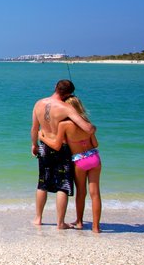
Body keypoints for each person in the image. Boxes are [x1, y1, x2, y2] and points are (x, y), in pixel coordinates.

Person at [30, 79, 96, 229]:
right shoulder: (66, 108)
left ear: (55, 87)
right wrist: (91, 126)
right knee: (63, 185)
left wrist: (34, 144)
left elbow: (34, 128)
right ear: (68, 94)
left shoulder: (38, 103)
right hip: (62, 149)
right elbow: (88, 128)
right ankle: (60, 223)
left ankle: (38, 218)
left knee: (42, 183)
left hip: (44, 146)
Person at [40, 95, 102, 232]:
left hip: (79, 160)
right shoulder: (86, 122)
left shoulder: (64, 125)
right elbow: (95, 143)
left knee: (81, 192)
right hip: (94, 157)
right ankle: (96, 227)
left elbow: (56, 146)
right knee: (95, 193)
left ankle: (79, 222)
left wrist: (41, 137)